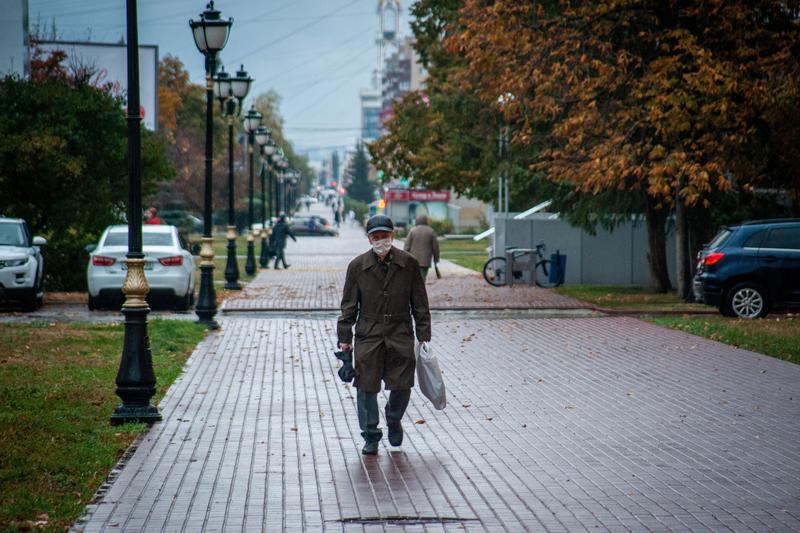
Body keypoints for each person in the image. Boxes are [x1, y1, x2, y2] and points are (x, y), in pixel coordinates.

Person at [337, 215, 431, 455]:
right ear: (369, 238)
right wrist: (345, 337)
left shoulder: (408, 263)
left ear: (393, 236)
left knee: (402, 382)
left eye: (385, 236)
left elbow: (420, 302)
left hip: (400, 330)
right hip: (369, 332)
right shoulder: (358, 266)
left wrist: (424, 335)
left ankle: (393, 417)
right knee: (366, 385)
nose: (381, 241)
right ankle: (371, 435)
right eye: (376, 237)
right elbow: (348, 306)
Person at [403, 214, 440, 280]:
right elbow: (435, 247)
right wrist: (436, 258)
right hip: (426, 260)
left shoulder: (412, 231)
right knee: (422, 277)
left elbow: (407, 246)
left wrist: (404, 258)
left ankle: (415, 289)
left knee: (414, 277)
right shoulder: (431, 231)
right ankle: (421, 288)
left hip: (413, 259)